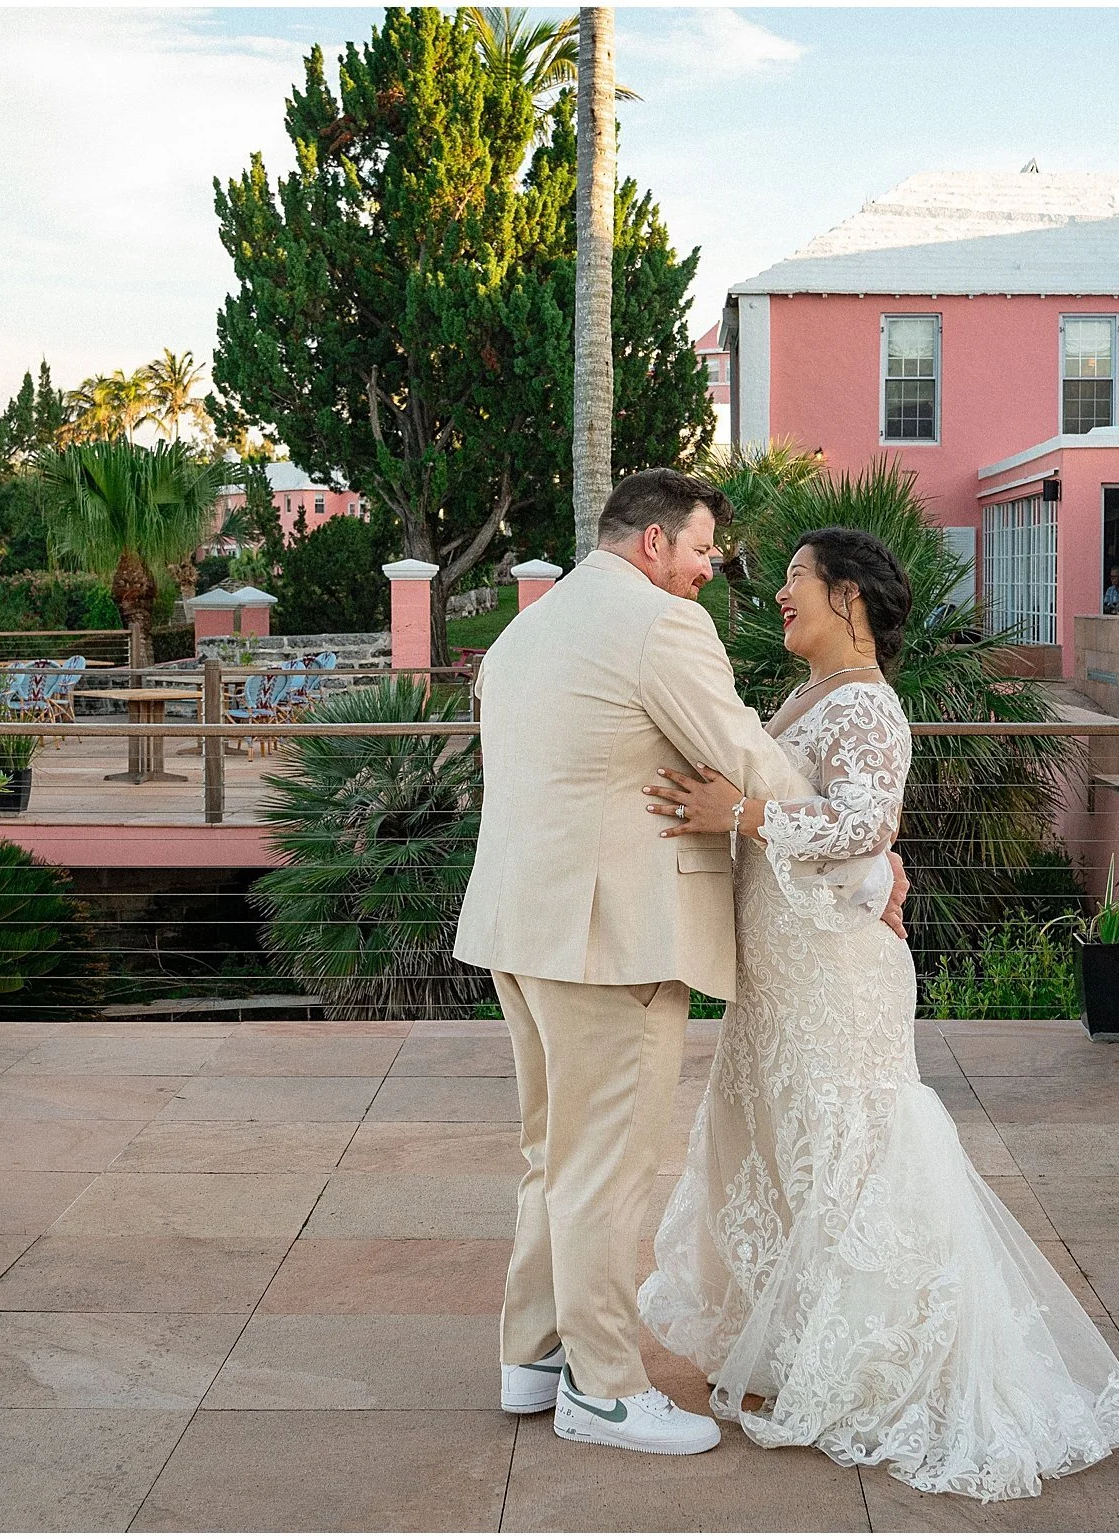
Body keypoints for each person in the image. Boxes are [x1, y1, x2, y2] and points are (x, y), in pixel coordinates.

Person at [638, 527, 1119, 1500]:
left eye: (796, 576)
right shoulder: (808, 696)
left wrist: (741, 815)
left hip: (836, 977)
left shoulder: (868, 703)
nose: (781, 591)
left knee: (844, 1151)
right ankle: (785, 1346)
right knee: (779, 1145)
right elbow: (847, 826)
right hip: (785, 972)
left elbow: (864, 823)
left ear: (848, 597)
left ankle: (868, 1364)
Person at [457, 468, 906, 1458]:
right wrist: (864, 856)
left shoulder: (530, 626)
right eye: (703, 549)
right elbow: (740, 749)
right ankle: (605, 1389)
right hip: (608, 936)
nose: (711, 569)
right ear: (654, 542)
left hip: (518, 925)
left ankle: (533, 1355)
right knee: (605, 1169)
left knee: (553, 1153)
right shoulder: (658, 624)